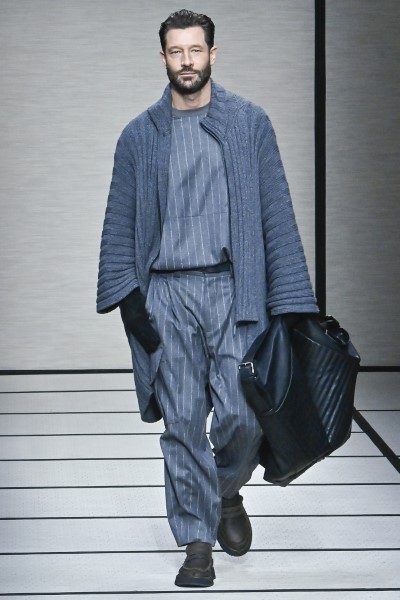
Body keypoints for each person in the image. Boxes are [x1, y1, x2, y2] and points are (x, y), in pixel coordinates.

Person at [97, 9, 318, 588]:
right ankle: (197, 542)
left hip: (234, 289)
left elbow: (275, 212)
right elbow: (119, 221)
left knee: (245, 416)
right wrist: (130, 301)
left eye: (196, 50)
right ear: (163, 57)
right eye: (176, 51)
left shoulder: (248, 123)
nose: (187, 61)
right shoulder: (139, 135)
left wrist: (290, 303)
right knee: (183, 421)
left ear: (213, 54)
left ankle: (222, 495)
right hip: (166, 293)